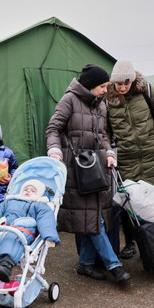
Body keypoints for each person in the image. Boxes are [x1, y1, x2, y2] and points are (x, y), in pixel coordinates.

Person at [45, 64, 129, 283]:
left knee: (91, 218)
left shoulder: (100, 105)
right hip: (76, 170)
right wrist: (54, 150)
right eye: (102, 86)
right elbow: (53, 129)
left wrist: (109, 153)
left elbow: (102, 135)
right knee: (93, 220)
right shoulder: (69, 100)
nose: (105, 90)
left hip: (97, 169)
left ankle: (86, 263)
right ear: (91, 85)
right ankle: (114, 265)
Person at [105, 60, 154, 260]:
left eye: (126, 83)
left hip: (152, 156)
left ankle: (153, 243)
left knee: (153, 201)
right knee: (128, 201)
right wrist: (109, 152)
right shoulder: (107, 100)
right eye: (119, 84)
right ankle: (130, 242)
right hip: (126, 158)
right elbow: (105, 131)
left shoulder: (146, 90)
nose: (122, 87)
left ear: (133, 80)